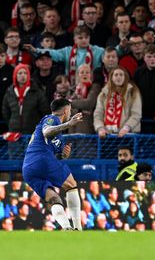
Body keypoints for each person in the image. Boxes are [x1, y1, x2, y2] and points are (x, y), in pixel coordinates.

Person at [22, 98, 83, 230]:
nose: (70, 113)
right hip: (41, 158)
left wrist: (64, 154)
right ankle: (78, 228)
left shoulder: (58, 136)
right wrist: (69, 124)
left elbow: (60, 154)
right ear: (66, 109)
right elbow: (47, 131)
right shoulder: (52, 118)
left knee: (55, 199)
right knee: (71, 185)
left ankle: (67, 228)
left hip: (28, 169)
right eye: (70, 110)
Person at [93, 67, 142, 138]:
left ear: (126, 77)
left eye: (121, 75)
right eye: (116, 75)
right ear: (111, 78)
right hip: (107, 135)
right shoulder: (103, 94)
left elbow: (136, 114)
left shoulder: (133, 92)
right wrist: (100, 128)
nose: (118, 77)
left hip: (128, 134)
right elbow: (98, 114)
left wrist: (126, 128)